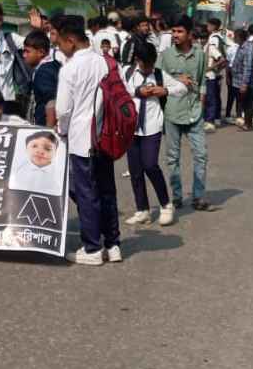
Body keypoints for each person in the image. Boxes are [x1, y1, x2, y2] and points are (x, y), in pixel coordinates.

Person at [53, 14, 121, 265]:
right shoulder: (106, 62)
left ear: (71, 40)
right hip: (106, 136)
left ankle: (92, 248)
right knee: (107, 191)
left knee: (86, 194)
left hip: (82, 140)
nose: (59, 47)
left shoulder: (70, 68)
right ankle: (113, 245)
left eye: (60, 43)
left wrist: (62, 131)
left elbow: (62, 109)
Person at [122, 39, 187, 226]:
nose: (149, 68)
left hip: (152, 126)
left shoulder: (158, 74)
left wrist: (164, 90)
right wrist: (138, 91)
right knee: (135, 170)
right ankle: (142, 209)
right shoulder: (127, 73)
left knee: (150, 165)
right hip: (131, 128)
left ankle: (166, 205)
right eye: (145, 64)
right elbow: (120, 91)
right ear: (137, 60)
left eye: (152, 64)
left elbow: (181, 88)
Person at [157, 16, 211, 211]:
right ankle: (177, 196)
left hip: (195, 112)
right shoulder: (165, 56)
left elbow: (203, 81)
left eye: (180, 32)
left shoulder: (200, 55)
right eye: (173, 31)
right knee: (172, 157)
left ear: (189, 34)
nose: (175, 35)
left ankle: (198, 197)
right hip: (172, 111)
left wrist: (202, 103)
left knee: (201, 154)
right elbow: (156, 81)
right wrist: (176, 78)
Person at [203, 17, 229, 130]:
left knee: (210, 98)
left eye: (208, 25)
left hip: (211, 74)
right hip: (217, 72)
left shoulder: (213, 39)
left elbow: (221, 58)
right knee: (215, 96)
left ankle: (210, 120)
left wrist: (210, 68)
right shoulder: (220, 37)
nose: (207, 27)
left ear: (213, 26)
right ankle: (216, 118)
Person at [230, 27, 253, 130]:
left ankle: (248, 124)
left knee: (247, 103)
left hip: (245, 82)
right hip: (238, 80)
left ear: (239, 37)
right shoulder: (241, 47)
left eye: (235, 36)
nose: (233, 38)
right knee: (243, 102)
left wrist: (244, 83)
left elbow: (248, 67)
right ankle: (245, 122)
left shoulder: (248, 48)